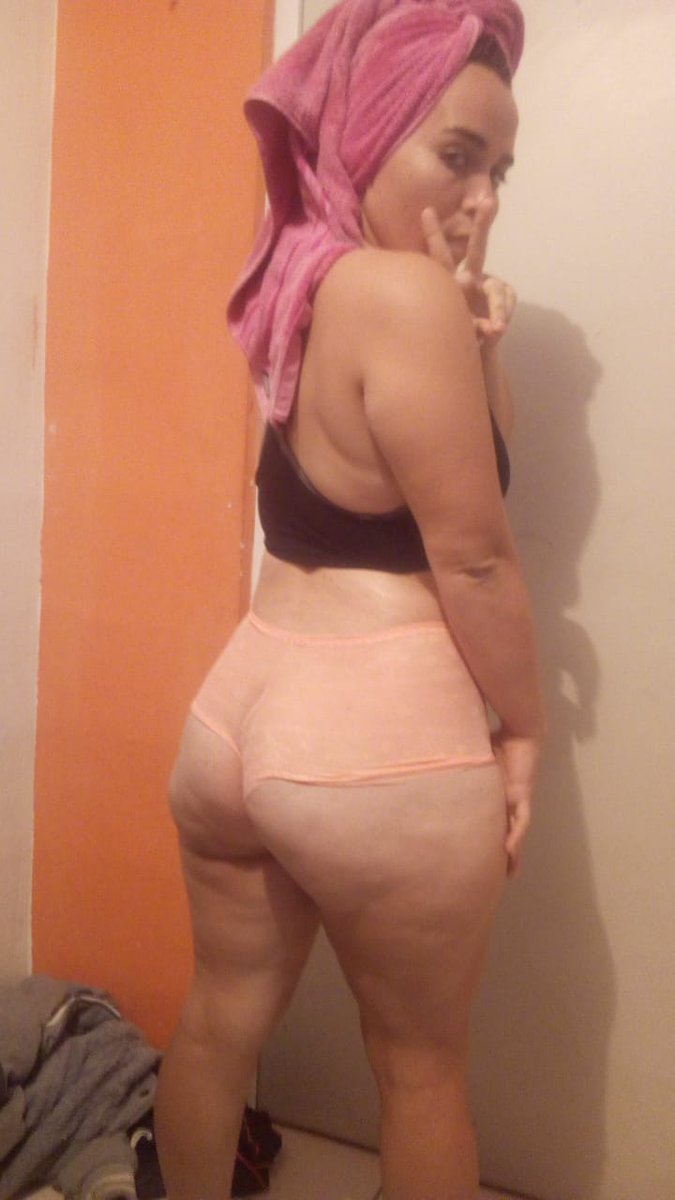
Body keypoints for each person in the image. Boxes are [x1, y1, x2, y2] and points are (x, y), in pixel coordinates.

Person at [154, 2, 545, 1198]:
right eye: (456, 155)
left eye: (500, 171)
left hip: (234, 720)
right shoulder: (401, 297)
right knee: (422, 1073)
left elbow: (439, 468)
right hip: (377, 750)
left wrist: (480, 339)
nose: (480, 202)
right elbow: (475, 558)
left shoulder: (307, 280)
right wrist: (526, 727)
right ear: (372, 131)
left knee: (218, 1020)